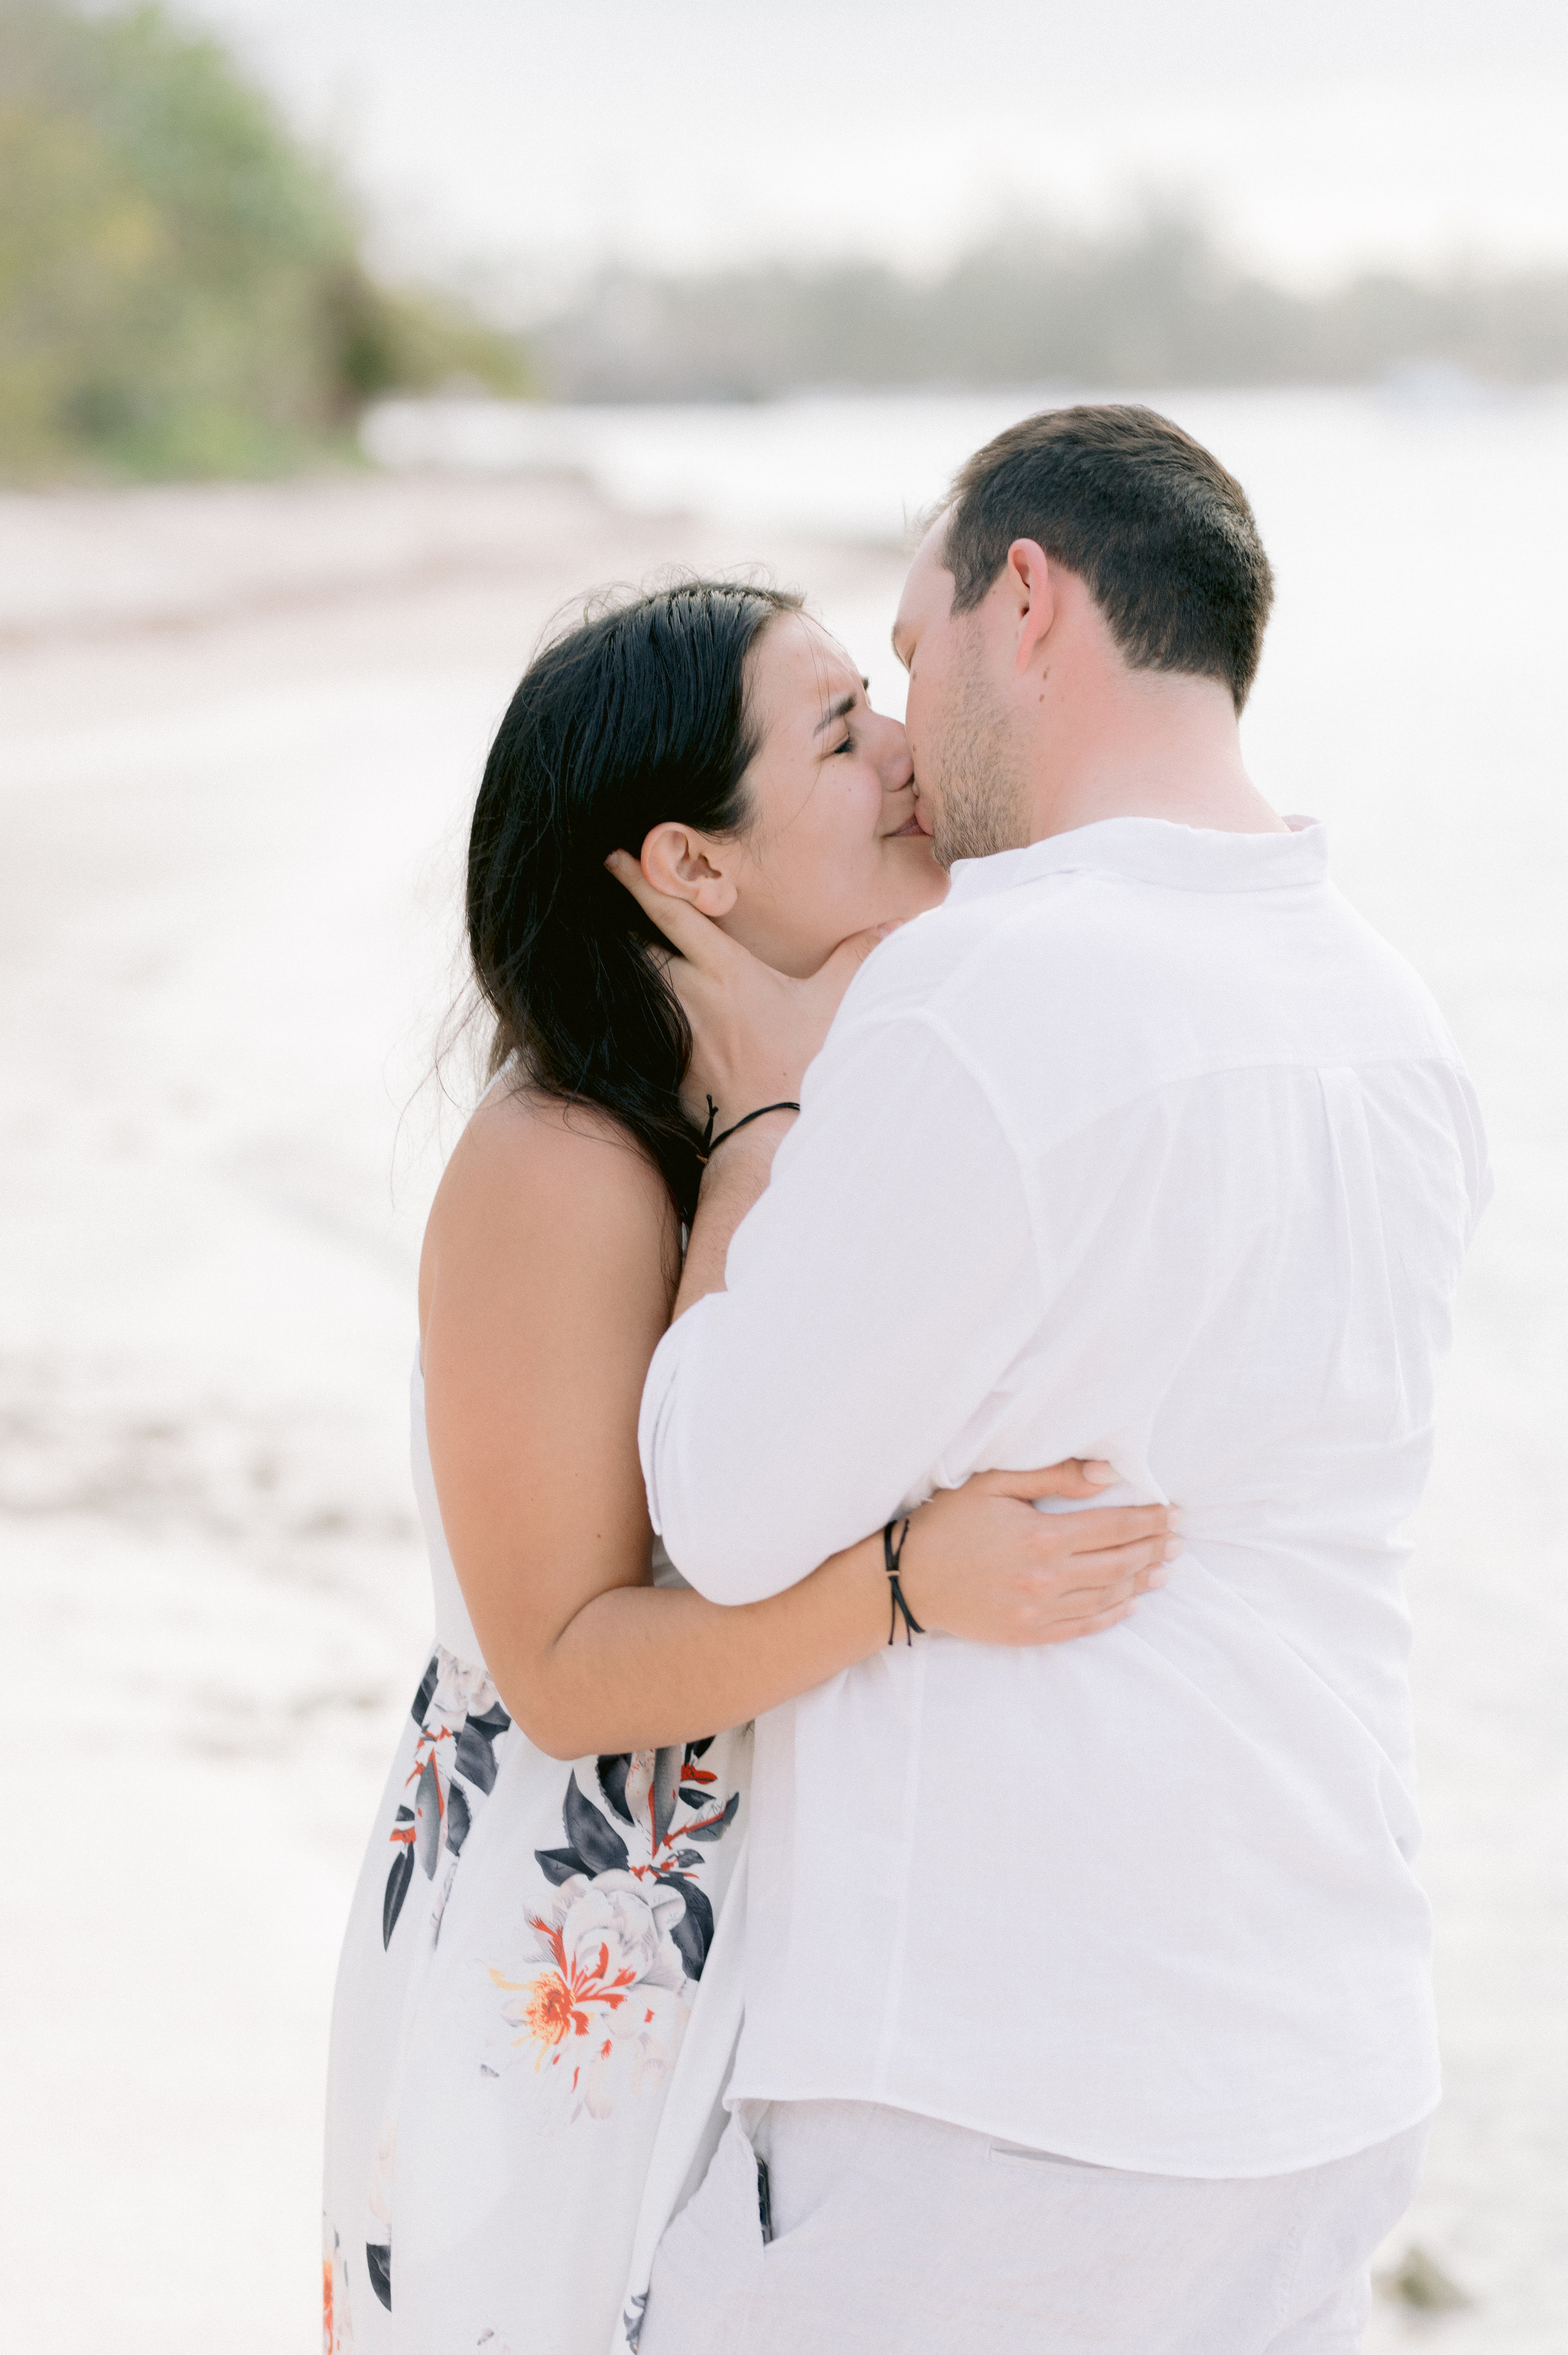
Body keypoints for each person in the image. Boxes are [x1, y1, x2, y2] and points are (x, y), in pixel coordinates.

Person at [620, 405, 1491, 2354]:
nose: (907, 741)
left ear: (1026, 599)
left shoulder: (991, 988)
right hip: (1323, 2042)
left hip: (1014, 2070)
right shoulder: (1385, 1009)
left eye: (909, 654)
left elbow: (724, 1505)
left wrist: (755, 1140)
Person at [320, 579, 1176, 2355]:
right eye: (834, 729)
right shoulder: (561, 1162)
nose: (899, 750)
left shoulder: (864, 1085)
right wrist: (902, 1587)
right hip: (578, 1968)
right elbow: (565, 1674)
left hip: (782, 1956)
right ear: (692, 872)